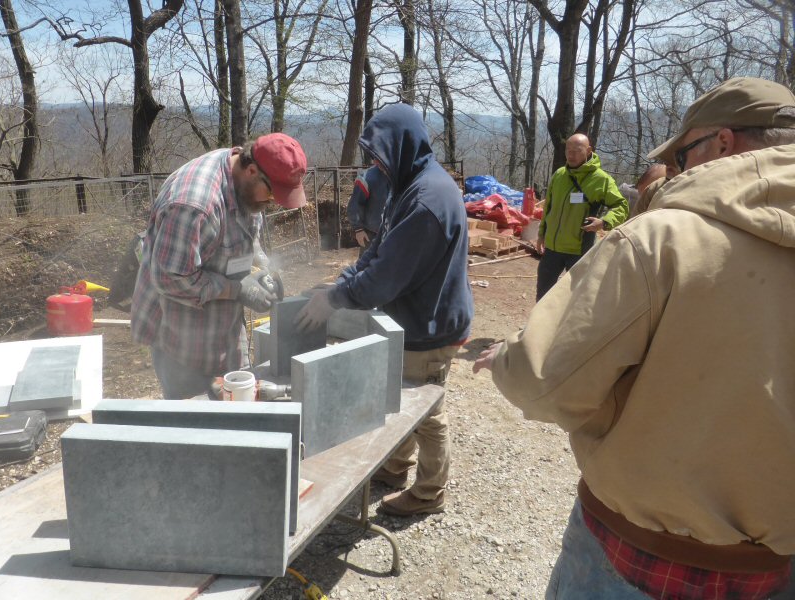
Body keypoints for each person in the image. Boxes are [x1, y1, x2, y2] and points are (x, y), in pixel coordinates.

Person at [473, 76, 795, 599]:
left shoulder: (662, 240)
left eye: (684, 155)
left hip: (643, 556)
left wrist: (512, 357)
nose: (680, 170)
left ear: (722, 143)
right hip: (777, 564)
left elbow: (545, 380)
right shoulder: (563, 180)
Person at [295, 103, 474, 517]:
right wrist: (341, 280)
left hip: (430, 323)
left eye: (379, 151)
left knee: (427, 409)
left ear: (402, 144)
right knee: (400, 392)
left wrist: (335, 300)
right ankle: (395, 466)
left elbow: (384, 278)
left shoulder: (427, 200)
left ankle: (430, 493)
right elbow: (379, 247)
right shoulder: (408, 182)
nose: (375, 161)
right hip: (411, 315)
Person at [131, 133, 308, 400]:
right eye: (272, 193)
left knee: (234, 408)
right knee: (198, 425)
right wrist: (237, 290)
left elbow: (248, 233)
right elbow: (170, 280)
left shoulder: (243, 180)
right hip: (180, 341)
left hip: (224, 332)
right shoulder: (194, 205)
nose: (271, 202)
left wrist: (261, 270)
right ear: (251, 171)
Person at [535, 133, 628, 301]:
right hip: (552, 250)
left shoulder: (601, 180)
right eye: (568, 150)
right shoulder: (559, 175)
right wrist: (542, 234)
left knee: (576, 298)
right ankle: (539, 327)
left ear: (588, 150)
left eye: (577, 151)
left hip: (579, 251)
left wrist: (605, 221)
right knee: (543, 295)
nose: (571, 155)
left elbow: (621, 206)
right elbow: (548, 208)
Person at [347, 164, 390, 257]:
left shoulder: (402, 177)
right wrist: (358, 229)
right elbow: (355, 205)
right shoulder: (366, 178)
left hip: (394, 233)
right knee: (366, 268)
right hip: (371, 235)